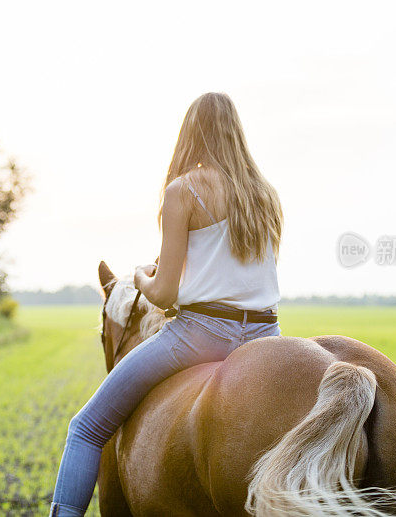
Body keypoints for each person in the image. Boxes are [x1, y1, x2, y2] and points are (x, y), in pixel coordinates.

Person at [49, 92, 284, 516]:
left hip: (203, 335)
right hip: (267, 335)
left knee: (85, 427)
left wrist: (141, 276)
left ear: (190, 132)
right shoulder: (264, 193)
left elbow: (164, 295)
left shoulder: (184, 191)